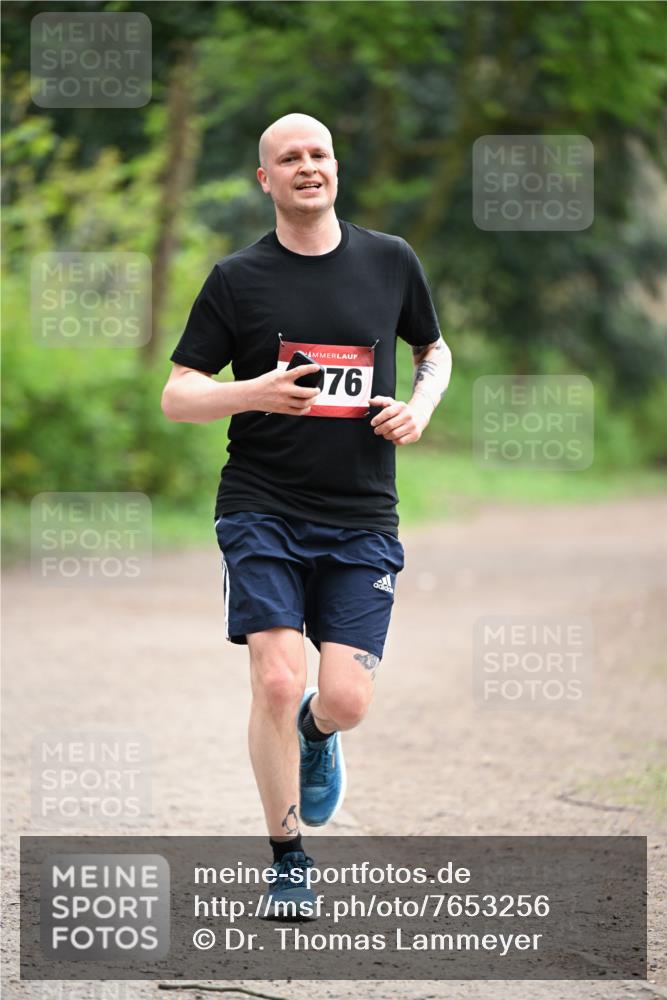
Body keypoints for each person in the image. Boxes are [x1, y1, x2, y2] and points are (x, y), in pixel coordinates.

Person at [162, 113, 452, 919]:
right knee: (276, 676)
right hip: (262, 506)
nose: (306, 166)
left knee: (345, 698)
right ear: (266, 179)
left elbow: (433, 350)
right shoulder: (237, 278)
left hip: (361, 512)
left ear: (335, 168)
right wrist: (252, 392)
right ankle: (288, 860)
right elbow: (178, 394)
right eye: (288, 158)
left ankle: (317, 733)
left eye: (318, 153)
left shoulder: (389, 260)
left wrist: (421, 408)